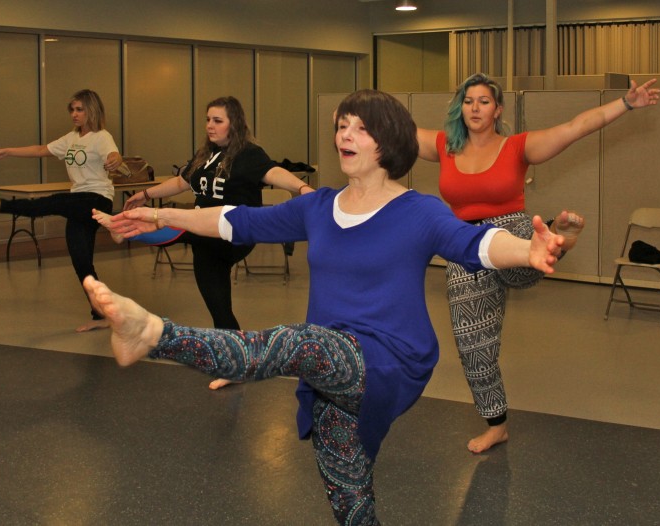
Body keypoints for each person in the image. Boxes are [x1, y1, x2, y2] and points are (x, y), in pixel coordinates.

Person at [88, 89, 566, 524]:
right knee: (350, 499)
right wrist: (156, 213)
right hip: (327, 368)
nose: (346, 135)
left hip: (389, 357)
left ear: (389, 142)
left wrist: (527, 250)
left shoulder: (419, 211)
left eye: (360, 127)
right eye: (341, 126)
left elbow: (477, 243)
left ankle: (153, 335)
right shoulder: (317, 208)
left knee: (295, 342)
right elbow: (237, 221)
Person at [416, 73, 660, 453]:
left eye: (483, 101)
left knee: (524, 256)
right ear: (460, 107)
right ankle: (496, 425)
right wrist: (353, 116)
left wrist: (626, 103)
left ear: (497, 109)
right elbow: (396, 130)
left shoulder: (517, 147)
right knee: (472, 344)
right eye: (468, 101)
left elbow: (576, 127)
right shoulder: (445, 145)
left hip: (513, 233)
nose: (475, 108)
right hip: (464, 245)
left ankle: (551, 239)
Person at [112, 96, 313, 337]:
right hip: (203, 240)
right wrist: (145, 194)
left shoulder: (248, 154)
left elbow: (273, 172)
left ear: (234, 124)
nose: (210, 125)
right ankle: (236, 359)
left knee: (181, 225)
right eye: (208, 119)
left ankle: (126, 229)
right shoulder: (205, 154)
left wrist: (301, 188)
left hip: (233, 234)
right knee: (220, 311)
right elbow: (181, 182)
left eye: (217, 120)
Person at [0, 89, 124, 332]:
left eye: (79, 109)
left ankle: (1, 205)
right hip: (78, 204)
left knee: (52, 202)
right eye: (72, 110)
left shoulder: (101, 136)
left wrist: (115, 159)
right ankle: (101, 315)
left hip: (96, 199)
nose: (74, 114)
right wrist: (7, 151)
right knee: (81, 262)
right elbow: (39, 150)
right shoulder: (71, 138)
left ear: (92, 110)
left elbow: (113, 154)